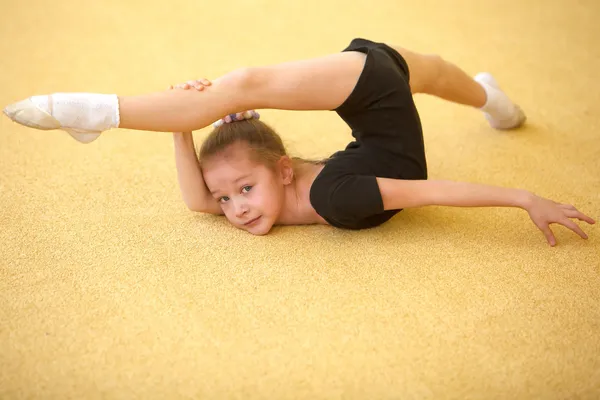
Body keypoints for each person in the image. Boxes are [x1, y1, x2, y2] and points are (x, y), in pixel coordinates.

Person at [3, 38, 595, 245]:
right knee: (434, 72)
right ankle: (495, 102)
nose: (231, 209)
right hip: (376, 96)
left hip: (369, 94)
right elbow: (199, 198)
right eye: (231, 198)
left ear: (283, 170)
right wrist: (182, 126)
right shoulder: (312, 193)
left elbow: (430, 190)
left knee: (243, 84)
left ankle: (96, 113)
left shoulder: (332, 198)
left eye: (241, 191)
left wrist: (524, 197)